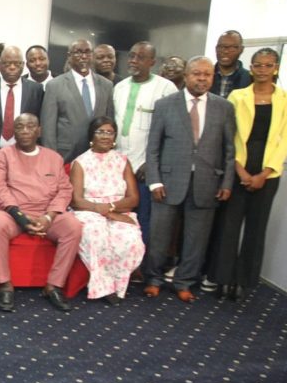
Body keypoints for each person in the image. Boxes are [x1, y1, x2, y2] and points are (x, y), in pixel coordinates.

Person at [144, 56, 236, 302]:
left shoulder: (224, 107)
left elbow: (229, 150)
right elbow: (153, 147)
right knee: (159, 236)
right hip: (167, 182)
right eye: (196, 73)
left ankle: (184, 282)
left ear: (212, 77)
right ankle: (153, 279)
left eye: (207, 74)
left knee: (197, 239)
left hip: (207, 183)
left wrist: (227, 182)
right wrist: (155, 181)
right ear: (186, 76)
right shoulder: (165, 105)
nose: (202, 78)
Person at [211, 48, 287, 301]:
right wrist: (240, 170)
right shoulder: (238, 96)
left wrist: (264, 173)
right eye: (257, 65)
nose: (262, 70)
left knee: (256, 229)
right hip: (238, 167)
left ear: (276, 68)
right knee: (229, 226)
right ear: (251, 67)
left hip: (268, 172)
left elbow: (285, 139)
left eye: (267, 65)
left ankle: (243, 281)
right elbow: (230, 136)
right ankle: (223, 279)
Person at [0, 113, 82, 313]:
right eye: (20, 127)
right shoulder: (3, 155)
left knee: (73, 227)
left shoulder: (54, 158)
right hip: (13, 212)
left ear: (39, 131)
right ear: (14, 132)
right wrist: (20, 217)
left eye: (31, 127)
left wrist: (49, 217)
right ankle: (4, 284)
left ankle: (54, 285)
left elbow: (65, 190)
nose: (25, 131)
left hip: (45, 214)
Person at [69, 117, 144, 304]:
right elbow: (76, 200)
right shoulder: (81, 162)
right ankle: (104, 287)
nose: (105, 136)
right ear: (91, 136)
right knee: (96, 235)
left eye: (109, 132)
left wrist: (111, 209)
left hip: (119, 211)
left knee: (130, 239)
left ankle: (118, 284)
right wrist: (103, 211)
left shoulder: (123, 161)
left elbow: (133, 199)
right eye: (100, 131)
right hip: (88, 211)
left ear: (115, 137)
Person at [112, 41, 178, 244]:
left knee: (144, 219)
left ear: (152, 62)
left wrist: (152, 164)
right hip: (119, 167)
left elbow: (174, 133)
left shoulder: (166, 88)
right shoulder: (120, 87)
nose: (133, 61)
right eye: (131, 56)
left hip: (146, 167)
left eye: (140, 57)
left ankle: (143, 267)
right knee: (120, 219)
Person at [40, 39, 115, 163]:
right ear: (69, 56)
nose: (83, 56)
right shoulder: (54, 85)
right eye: (78, 52)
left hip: (98, 156)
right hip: (65, 155)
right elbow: (48, 128)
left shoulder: (106, 85)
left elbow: (109, 121)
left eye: (87, 52)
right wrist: (51, 159)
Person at [0, 45, 44, 160]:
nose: (12, 67)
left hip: (24, 154)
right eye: (7, 64)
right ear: (0, 65)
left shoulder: (36, 90)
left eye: (17, 63)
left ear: (23, 65)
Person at [212, 30, 252, 98]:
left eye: (232, 47)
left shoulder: (250, 79)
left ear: (241, 50)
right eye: (221, 46)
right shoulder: (205, 76)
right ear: (216, 49)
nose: (225, 51)